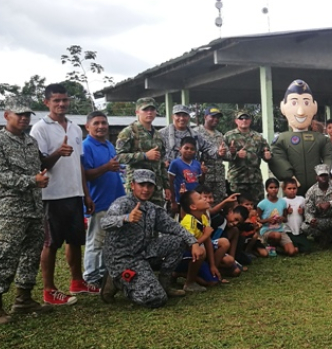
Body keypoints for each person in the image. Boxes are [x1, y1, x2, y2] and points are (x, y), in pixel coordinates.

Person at [30, 83, 98, 305]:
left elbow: (78, 163)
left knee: (75, 240)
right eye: (56, 100)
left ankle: (77, 282)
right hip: (52, 195)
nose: (61, 104)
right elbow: (38, 163)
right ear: (46, 102)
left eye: (64, 100)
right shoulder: (40, 128)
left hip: (74, 193)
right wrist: (58, 152)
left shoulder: (75, 128)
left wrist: (85, 194)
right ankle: (49, 290)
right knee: (51, 243)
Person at [101, 169, 203, 308]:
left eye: (149, 186)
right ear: (132, 185)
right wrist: (126, 218)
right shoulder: (122, 203)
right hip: (123, 258)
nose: (145, 189)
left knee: (178, 242)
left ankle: (164, 285)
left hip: (143, 252)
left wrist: (193, 242)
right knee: (156, 298)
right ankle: (116, 282)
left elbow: (174, 227)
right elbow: (105, 223)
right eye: (141, 185)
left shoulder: (152, 209)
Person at [0, 96, 51, 323]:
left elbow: (39, 169)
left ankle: (23, 299)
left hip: (34, 207)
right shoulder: (1, 141)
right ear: (6, 115)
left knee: (31, 253)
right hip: (10, 209)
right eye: (19, 114)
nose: (23, 118)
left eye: (27, 114)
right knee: (6, 255)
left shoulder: (31, 142)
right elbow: (2, 175)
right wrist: (32, 180)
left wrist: (39, 180)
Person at [82, 111, 126, 288]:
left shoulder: (108, 144)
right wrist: (107, 167)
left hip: (114, 200)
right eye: (96, 123)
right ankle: (91, 277)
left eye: (104, 123)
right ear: (88, 127)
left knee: (110, 241)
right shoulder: (86, 146)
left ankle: (103, 274)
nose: (101, 126)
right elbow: (85, 174)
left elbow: (114, 168)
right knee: (96, 241)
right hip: (98, 201)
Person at [269, 80, 332, 195]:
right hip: (293, 189)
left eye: (306, 103)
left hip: (318, 187)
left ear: (315, 106)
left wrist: (323, 174)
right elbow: (277, 157)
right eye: (294, 103)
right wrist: (289, 176)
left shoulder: (321, 139)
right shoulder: (282, 139)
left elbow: (329, 156)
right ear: (283, 107)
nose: (300, 112)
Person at [116, 97, 172, 206]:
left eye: (152, 109)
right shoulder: (129, 132)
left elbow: (161, 163)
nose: (149, 112)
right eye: (145, 109)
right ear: (137, 112)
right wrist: (145, 156)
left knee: (156, 219)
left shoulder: (158, 135)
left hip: (156, 188)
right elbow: (118, 157)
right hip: (138, 188)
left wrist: (166, 186)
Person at [224, 110, 272, 204]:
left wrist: (268, 156)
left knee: (257, 206)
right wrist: (235, 155)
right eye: (241, 118)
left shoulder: (258, 137)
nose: (244, 120)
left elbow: (266, 152)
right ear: (236, 121)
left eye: (246, 118)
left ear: (250, 120)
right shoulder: (228, 136)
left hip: (255, 180)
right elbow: (222, 155)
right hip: (237, 180)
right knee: (236, 207)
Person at [257, 178, 298, 256]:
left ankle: (278, 249)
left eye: (276, 187)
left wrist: (282, 218)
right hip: (267, 231)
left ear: (278, 189)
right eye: (271, 188)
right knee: (276, 235)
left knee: (292, 252)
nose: (274, 190)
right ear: (266, 189)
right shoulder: (262, 204)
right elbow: (257, 220)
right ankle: (269, 245)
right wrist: (267, 220)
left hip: (280, 230)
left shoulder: (282, 202)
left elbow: (285, 219)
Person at [196, 105, 229, 201]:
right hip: (204, 177)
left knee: (219, 204)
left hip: (219, 178)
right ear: (205, 117)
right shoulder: (196, 133)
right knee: (203, 203)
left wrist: (229, 152)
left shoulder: (219, 135)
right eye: (213, 116)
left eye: (217, 117)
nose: (216, 119)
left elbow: (227, 155)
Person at [168, 136, 205, 205]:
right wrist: (173, 201)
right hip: (180, 200)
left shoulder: (197, 164)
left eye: (192, 149)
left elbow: (200, 182)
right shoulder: (175, 163)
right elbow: (170, 182)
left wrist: (203, 173)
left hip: (194, 200)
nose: (189, 151)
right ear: (180, 149)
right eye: (186, 148)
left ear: (195, 151)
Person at [281, 179, 309, 253]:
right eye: (289, 188)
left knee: (307, 249)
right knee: (294, 248)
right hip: (288, 231)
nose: (292, 190)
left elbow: (306, 216)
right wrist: (286, 212)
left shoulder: (301, 199)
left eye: (294, 188)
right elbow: (282, 219)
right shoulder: (282, 201)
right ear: (284, 189)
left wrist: (302, 213)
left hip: (299, 231)